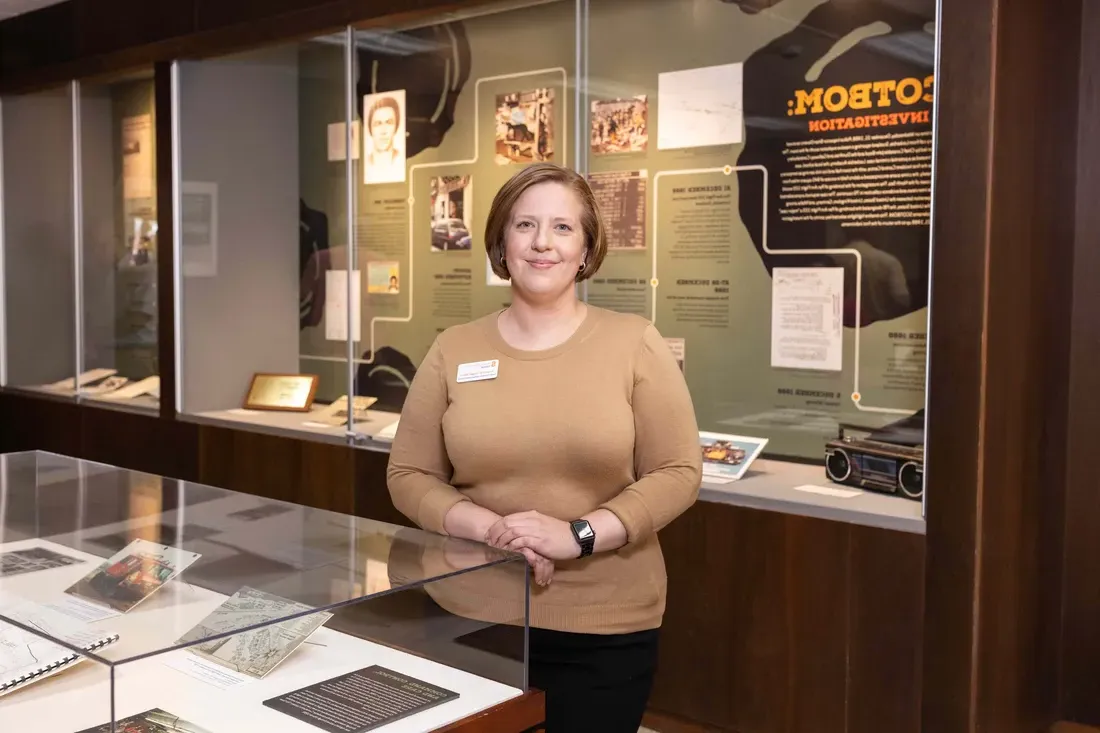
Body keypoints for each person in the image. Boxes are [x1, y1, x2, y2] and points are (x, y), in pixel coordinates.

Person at [387, 162, 702, 733]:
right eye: (524, 225)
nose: (541, 243)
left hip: (603, 624)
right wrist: (492, 529)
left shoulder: (634, 343)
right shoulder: (453, 347)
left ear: (586, 249)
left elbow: (678, 471)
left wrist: (575, 536)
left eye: (562, 228)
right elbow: (408, 474)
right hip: (469, 616)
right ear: (501, 244)